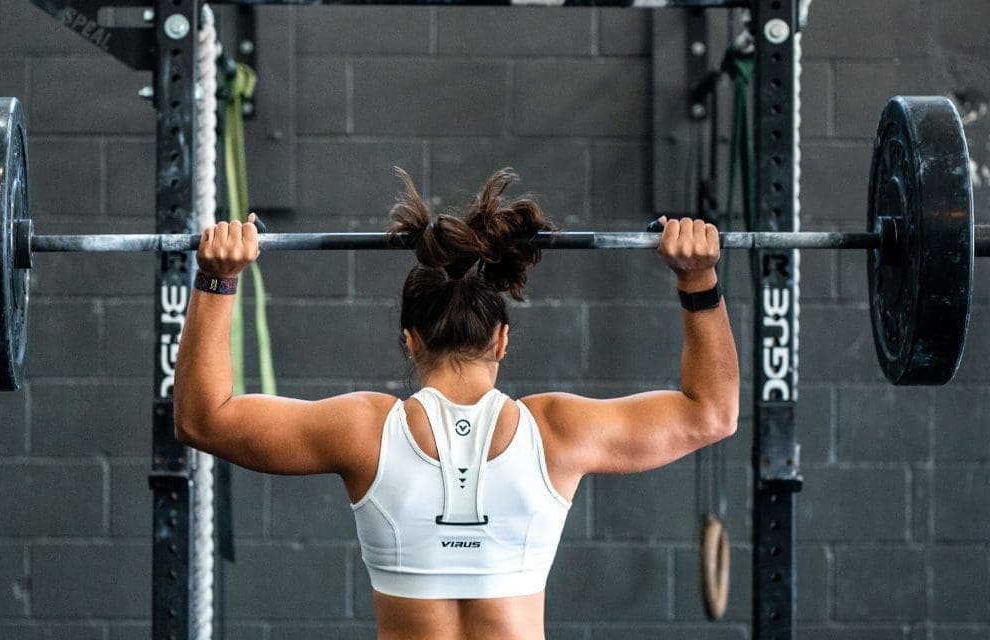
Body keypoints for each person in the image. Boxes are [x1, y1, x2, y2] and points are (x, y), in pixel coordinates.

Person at [174, 168, 739, 640]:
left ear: (409, 340)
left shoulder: (363, 430)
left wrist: (217, 279)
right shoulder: (558, 432)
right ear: (502, 340)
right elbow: (711, 412)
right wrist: (699, 278)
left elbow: (204, 418)